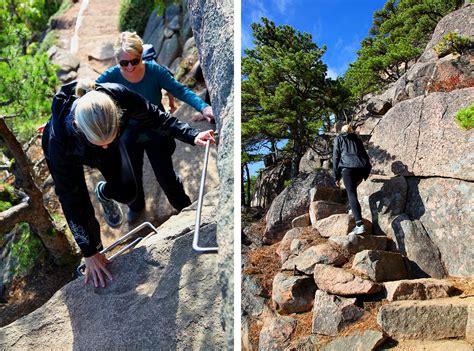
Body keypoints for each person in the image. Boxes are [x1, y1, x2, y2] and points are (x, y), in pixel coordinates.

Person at [42, 80, 215, 288]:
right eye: (101, 142)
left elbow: (154, 116)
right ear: (79, 127)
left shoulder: (118, 96)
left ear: (117, 114)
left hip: (100, 139)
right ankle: (95, 241)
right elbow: (72, 198)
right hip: (72, 150)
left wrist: (191, 134)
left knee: (128, 193)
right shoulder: (58, 142)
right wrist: (90, 251)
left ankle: (104, 192)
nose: (105, 146)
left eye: (110, 137)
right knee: (81, 201)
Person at [96, 32, 214, 224]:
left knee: (165, 174)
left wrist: (204, 106)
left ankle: (183, 206)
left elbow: (180, 90)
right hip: (128, 133)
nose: (130, 67)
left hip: (156, 127)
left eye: (135, 61)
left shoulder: (154, 71)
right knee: (132, 174)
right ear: (117, 61)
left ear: (141, 56)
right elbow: (83, 95)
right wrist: (57, 118)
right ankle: (136, 206)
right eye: (124, 63)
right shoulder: (111, 77)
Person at [332, 124, 371, 235]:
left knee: (351, 194)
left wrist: (336, 176)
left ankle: (359, 225)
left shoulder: (339, 138)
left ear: (342, 131)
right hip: (361, 169)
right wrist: (366, 172)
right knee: (353, 192)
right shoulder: (357, 140)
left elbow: (335, 156)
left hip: (347, 168)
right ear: (351, 130)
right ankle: (352, 209)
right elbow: (365, 156)